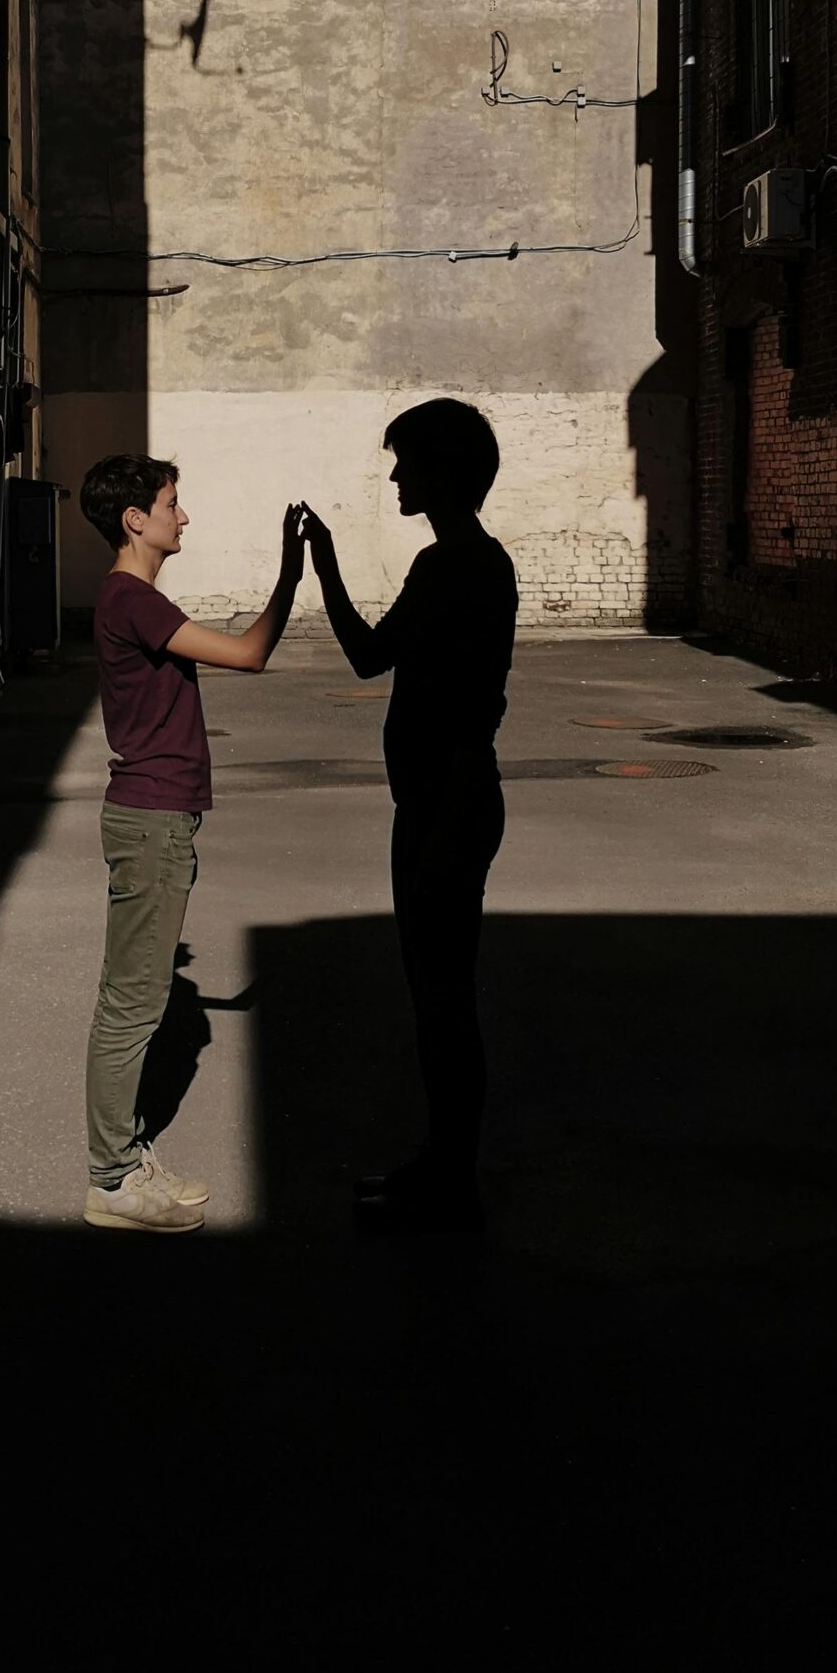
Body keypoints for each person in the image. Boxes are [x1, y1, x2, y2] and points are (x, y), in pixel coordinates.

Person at [300, 400, 516, 1231]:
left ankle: (450, 1179)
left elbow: (369, 660)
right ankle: (446, 1167)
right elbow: (378, 663)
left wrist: (323, 565)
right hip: (442, 799)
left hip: (447, 805)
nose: (395, 477)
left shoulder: (456, 567)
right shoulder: (470, 563)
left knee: (443, 1000)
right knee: (441, 997)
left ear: (446, 473)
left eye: (409, 464)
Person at [77, 453, 305, 1232]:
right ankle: (110, 1182)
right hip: (150, 821)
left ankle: (125, 1155)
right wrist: (290, 572)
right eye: (173, 503)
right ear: (134, 520)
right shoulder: (131, 599)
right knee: (132, 1005)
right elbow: (248, 653)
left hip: (154, 819)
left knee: (136, 998)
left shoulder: (133, 599)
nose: (184, 516)